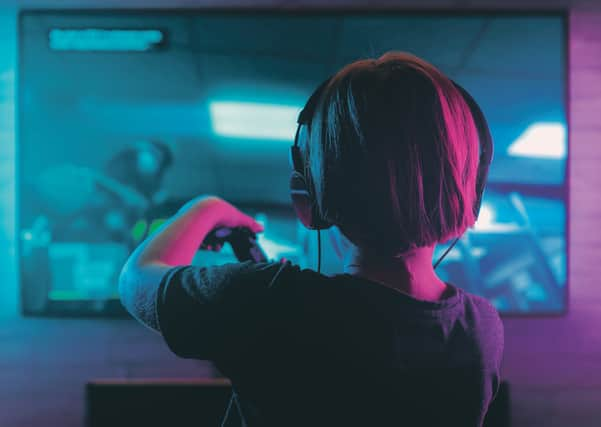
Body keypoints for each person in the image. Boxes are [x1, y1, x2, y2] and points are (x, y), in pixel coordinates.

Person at [119, 52, 504, 427]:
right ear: (469, 195)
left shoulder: (272, 303)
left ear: (309, 199)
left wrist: (207, 208)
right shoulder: (481, 328)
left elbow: (137, 280)